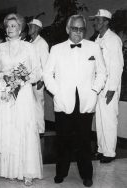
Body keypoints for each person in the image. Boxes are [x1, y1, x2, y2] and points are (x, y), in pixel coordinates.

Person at [43, 14, 107, 187]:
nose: (78, 32)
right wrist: (57, 92)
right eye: (74, 28)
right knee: (62, 140)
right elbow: (47, 74)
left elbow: (102, 72)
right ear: (67, 29)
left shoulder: (93, 47)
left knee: (84, 141)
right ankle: (61, 173)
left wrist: (95, 90)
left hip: (86, 101)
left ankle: (87, 174)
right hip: (63, 102)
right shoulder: (56, 49)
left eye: (81, 29)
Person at [0, 13, 42, 186]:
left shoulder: (29, 48)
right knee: (8, 128)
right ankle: (10, 170)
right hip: (5, 92)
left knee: (24, 128)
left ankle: (27, 171)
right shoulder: (0, 48)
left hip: (22, 93)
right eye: (7, 26)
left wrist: (22, 79)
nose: (10, 29)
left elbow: (37, 72)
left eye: (13, 26)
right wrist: (7, 77)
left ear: (21, 29)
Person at [90, 9, 124, 163]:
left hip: (109, 86)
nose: (95, 23)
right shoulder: (98, 39)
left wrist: (112, 89)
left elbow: (117, 66)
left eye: (98, 20)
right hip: (99, 85)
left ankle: (110, 152)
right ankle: (101, 149)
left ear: (106, 22)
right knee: (100, 121)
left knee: (109, 120)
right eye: (95, 20)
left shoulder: (113, 39)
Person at [28, 19, 49, 135]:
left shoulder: (42, 43)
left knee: (39, 105)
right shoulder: (31, 42)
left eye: (31, 26)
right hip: (30, 80)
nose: (29, 28)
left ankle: (40, 130)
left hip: (38, 81)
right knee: (32, 105)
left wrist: (42, 80)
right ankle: (34, 129)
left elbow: (46, 63)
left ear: (37, 28)